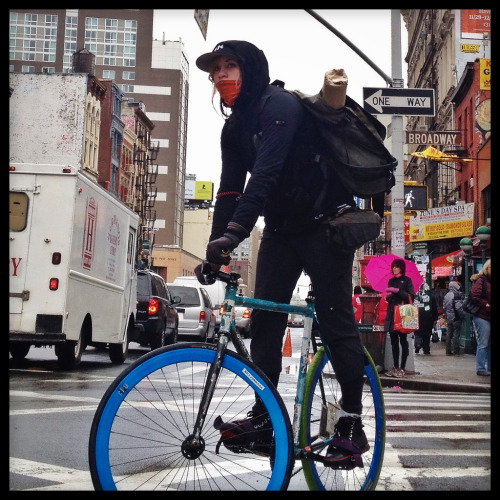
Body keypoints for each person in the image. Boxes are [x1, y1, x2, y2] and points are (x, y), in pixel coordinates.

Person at [193, 40, 370, 465]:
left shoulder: (279, 105)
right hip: (281, 230)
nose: (221, 76)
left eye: (230, 66)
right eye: (215, 70)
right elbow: (232, 189)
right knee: (266, 322)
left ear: (250, 68)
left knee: (336, 320)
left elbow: (267, 173)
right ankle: (266, 419)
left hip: (325, 223)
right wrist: (215, 248)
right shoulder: (234, 127)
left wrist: (235, 233)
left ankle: (351, 422)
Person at [383, 258, 416, 378]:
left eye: (396, 266)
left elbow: (411, 296)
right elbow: (388, 298)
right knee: (394, 342)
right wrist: (388, 296)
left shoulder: (407, 280)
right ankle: (395, 366)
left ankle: (402, 367)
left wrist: (398, 291)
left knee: (403, 341)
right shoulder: (391, 281)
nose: (394, 268)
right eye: (393, 266)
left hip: (403, 314)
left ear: (401, 268)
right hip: (392, 314)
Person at [470, 259, 491, 376]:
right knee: (483, 343)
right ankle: (481, 368)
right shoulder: (482, 280)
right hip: (482, 315)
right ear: (486, 269)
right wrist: (485, 304)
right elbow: (474, 295)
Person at [442, 280, 465, 356]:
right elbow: (458, 308)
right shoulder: (456, 295)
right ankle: (456, 351)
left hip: (449, 318)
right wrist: (463, 315)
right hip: (456, 317)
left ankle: (448, 351)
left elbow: (444, 307)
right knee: (456, 335)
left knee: (449, 334)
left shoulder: (446, 295)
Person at [414, 288, 438, 355]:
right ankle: (426, 349)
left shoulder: (416, 296)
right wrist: (435, 318)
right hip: (428, 317)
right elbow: (434, 308)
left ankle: (418, 344)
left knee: (418, 333)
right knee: (427, 334)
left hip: (418, 317)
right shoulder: (431, 297)